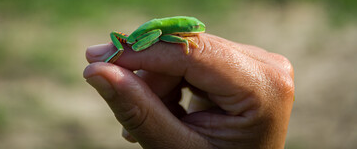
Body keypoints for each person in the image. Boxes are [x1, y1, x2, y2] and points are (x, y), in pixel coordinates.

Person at [84, 33, 294, 148]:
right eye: (193, 28)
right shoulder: (175, 33)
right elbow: (161, 34)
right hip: (142, 37)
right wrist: (183, 41)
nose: (199, 30)